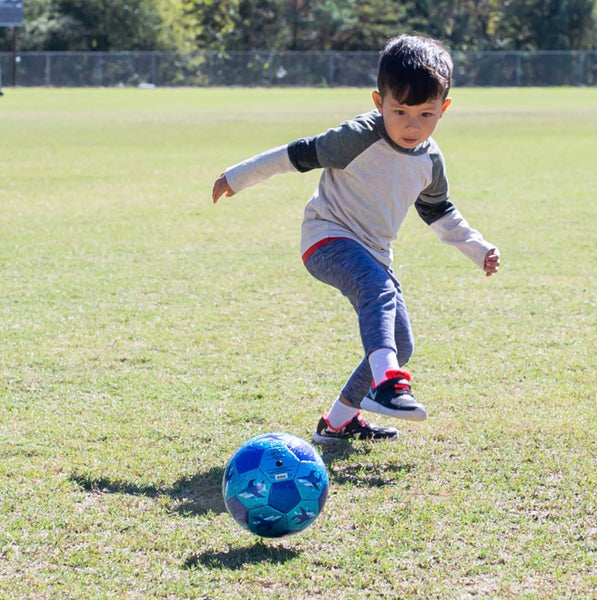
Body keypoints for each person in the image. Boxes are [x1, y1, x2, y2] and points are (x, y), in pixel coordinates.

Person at [212, 34, 500, 444]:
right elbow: (297, 154)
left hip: (375, 254)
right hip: (326, 237)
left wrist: (479, 248)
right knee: (377, 290)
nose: (411, 125)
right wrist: (236, 177)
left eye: (425, 114)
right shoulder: (357, 138)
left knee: (400, 342)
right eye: (399, 111)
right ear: (378, 102)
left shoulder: (430, 160)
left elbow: (439, 213)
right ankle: (389, 386)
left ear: (444, 109)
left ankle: (338, 422)